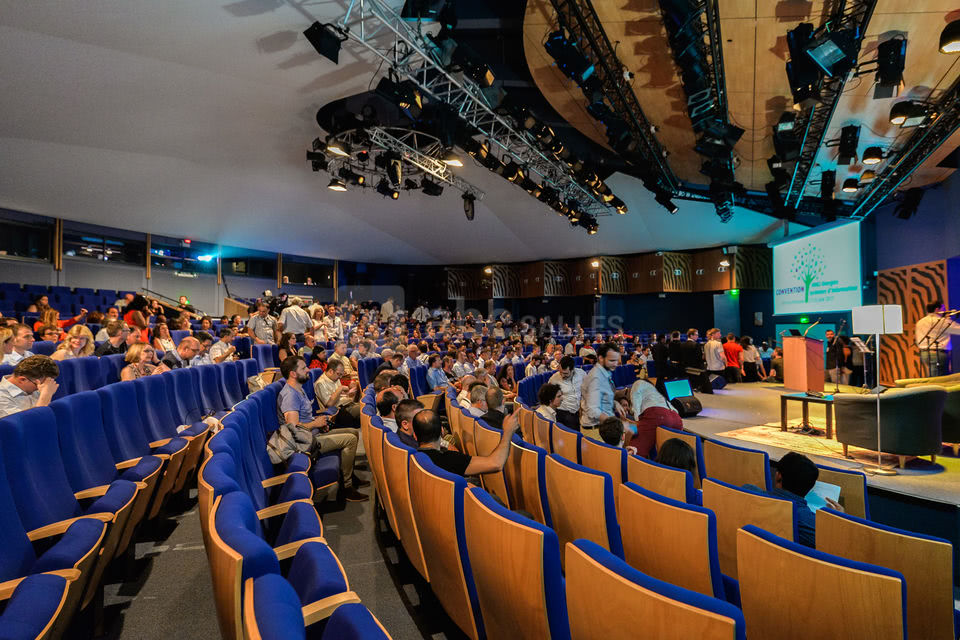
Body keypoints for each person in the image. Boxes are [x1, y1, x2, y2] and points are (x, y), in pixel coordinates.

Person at [276, 356, 367, 501]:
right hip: (306, 442)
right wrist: (315, 424)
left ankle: (349, 475)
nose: (308, 370)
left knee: (353, 432)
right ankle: (347, 487)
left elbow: (304, 419)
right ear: (293, 373)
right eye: (303, 368)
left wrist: (320, 422)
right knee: (349, 439)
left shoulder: (298, 389)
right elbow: (292, 428)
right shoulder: (290, 396)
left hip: (313, 433)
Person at [744, 452, 842, 548]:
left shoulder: (747, 491)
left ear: (778, 476)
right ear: (810, 487)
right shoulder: (811, 523)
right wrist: (839, 521)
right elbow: (834, 546)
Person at [412, 408, 520, 477]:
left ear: (415, 436)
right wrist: (507, 433)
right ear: (442, 431)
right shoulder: (450, 459)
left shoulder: (411, 459)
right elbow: (495, 464)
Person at [629, 378, 683, 458]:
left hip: (657, 414)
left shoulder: (638, 382)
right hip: (677, 419)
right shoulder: (655, 391)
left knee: (635, 451)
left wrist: (637, 421)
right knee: (670, 455)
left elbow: (635, 402)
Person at [581, 343, 624, 430]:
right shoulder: (596, 378)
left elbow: (601, 396)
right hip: (597, 430)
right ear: (601, 358)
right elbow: (593, 411)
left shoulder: (604, 372)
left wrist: (614, 403)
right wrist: (616, 425)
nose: (615, 364)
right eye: (612, 361)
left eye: (616, 360)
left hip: (602, 427)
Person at [915, 301, 960, 376]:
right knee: (939, 378)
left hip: (924, 353)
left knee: (935, 375)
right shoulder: (941, 321)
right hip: (937, 353)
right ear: (937, 309)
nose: (945, 311)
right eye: (943, 309)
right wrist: (948, 320)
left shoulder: (920, 322)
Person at [313, 359, 362, 428]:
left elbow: (340, 395)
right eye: (339, 374)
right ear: (330, 371)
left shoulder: (334, 377)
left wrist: (348, 393)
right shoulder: (320, 383)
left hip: (346, 403)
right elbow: (329, 404)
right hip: (339, 410)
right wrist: (340, 389)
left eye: (342, 374)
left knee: (365, 408)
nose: (340, 377)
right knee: (364, 409)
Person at [547, 356, 586, 430]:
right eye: (560, 372)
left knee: (576, 435)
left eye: (565, 373)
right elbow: (549, 398)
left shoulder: (581, 374)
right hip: (563, 413)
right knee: (572, 436)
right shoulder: (553, 379)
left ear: (572, 370)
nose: (562, 375)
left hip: (577, 412)